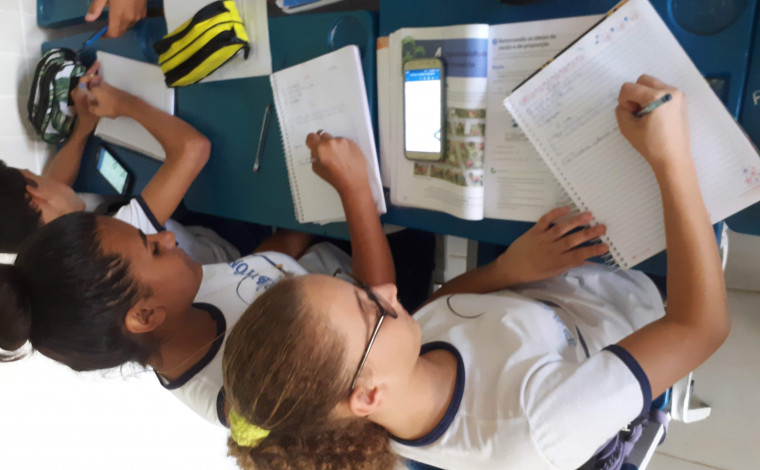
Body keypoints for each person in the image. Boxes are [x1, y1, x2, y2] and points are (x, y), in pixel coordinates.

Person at [221, 75, 729, 470]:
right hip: (645, 296)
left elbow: (442, 312)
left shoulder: (400, 364)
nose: (389, 290)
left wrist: (510, 268)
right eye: (371, 307)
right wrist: (670, 156)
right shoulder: (536, 425)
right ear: (368, 396)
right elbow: (701, 326)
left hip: (549, 279)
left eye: (359, 288)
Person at [0, 130, 394, 428]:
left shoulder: (180, 299)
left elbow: (265, 265)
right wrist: (353, 191)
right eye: (153, 249)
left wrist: (312, 205)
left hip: (348, 246)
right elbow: (382, 328)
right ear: (145, 315)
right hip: (398, 295)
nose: (168, 238)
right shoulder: (247, 394)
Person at [0, 62, 245, 264]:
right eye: (33, 175)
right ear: (35, 195)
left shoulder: (46, 253)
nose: (46, 178)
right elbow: (193, 148)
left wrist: (83, 127)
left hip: (188, 228)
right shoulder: (117, 237)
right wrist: (123, 104)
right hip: (233, 247)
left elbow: (55, 182)